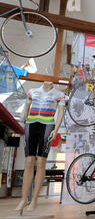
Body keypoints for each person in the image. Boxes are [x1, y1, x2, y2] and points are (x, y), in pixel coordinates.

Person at [15, 81, 65, 211]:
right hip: (31, 124)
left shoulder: (59, 94)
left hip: (47, 125)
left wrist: (56, 129)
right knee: (29, 161)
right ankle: (23, 199)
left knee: (41, 161)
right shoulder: (32, 91)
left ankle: (35, 200)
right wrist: (23, 120)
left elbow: (61, 112)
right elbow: (26, 109)